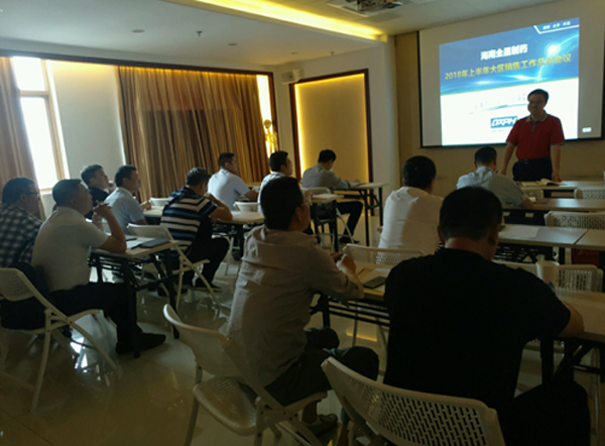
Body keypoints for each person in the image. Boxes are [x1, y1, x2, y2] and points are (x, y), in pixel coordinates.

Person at [383, 187, 589, 446]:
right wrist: (555, 300)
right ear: (494, 232)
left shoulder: (402, 276)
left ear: (440, 233)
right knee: (570, 396)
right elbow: (574, 325)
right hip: (477, 435)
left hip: (403, 429)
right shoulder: (516, 288)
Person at [227, 177, 378, 440]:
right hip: (274, 381)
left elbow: (291, 265)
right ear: (299, 212)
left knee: (325, 336)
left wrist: (320, 264)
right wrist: (346, 269)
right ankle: (348, 434)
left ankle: (311, 421)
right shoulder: (306, 252)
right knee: (365, 359)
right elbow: (352, 291)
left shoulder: (254, 238)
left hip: (242, 367)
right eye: (306, 203)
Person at [32, 179, 165, 354]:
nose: (90, 196)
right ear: (74, 201)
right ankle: (130, 340)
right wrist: (109, 216)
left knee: (113, 291)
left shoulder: (56, 218)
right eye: (86, 193)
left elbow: (93, 240)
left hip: (46, 295)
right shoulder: (75, 223)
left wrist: (97, 219)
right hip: (65, 298)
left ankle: (131, 333)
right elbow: (120, 246)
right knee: (124, 291)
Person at [161, 168, 232, 289]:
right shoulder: (198, 202)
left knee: (203, 225)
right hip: (181, 256)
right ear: (202, 185)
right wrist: (214, 200)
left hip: (165, 255)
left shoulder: (173, 197)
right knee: (223, 243)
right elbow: (228, 216)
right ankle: (204, 281)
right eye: (206, 186)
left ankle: (187, 280)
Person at [378, 156, 442, 254]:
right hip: (419, 263)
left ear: (403, 180)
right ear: (432, 182)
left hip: (383, 262)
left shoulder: (392, 198)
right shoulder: (438, 204)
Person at [500, 89, 565, 182]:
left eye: (538, 102)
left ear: (544, 103)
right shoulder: (520, 123)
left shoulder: (554, 122)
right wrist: (503, 168)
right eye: (531, 102)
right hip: (522, 167)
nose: (534, 105)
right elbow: (510, 146)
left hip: (543, 167)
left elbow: (555, 148)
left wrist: (556, 171)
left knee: (543, 191)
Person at [301, 149, 363, 243]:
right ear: (330, 162)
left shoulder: (307, 172)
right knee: (358, 205)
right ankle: (346, 237)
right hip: (326, 211)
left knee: (332, 203)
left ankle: (335, 238)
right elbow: (343, 185)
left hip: (310, 211)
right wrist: (356, 183)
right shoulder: (327, 174)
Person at [457, 146, 533, 208]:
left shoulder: (462, 181)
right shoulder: (504, 181)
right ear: (495, 162)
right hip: (493, 222)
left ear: (475, 164)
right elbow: (528, 205)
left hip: (467, 222)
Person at [0, 177, 42, 267]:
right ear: (23, 197)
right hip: (11, 275)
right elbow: (52, 237)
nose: (39, 199)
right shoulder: (24, 220)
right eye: (36, 194)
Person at [105, 165, 150, 234]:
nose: (139, 180)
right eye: (136, 177)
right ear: (126, 181)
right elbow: (144, 229)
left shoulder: (109, 198)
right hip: (128, 238)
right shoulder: (129, 200)